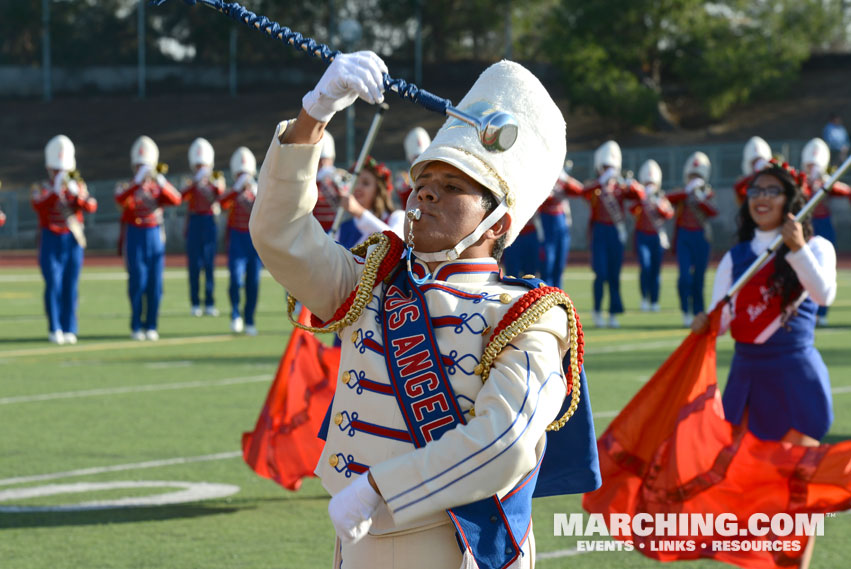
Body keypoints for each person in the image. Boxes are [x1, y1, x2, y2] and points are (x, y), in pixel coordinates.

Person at [249, 51, 599, 569]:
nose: (427, 195)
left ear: (497, 223)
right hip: (359, 545)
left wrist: (377, 491)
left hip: (461, 550)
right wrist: (315, 112)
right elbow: (279, 234)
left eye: (453, 187)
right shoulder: (371, 280)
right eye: (423, 184)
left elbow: (505, 443)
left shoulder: (531, 315)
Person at [691, 161, 837, 568]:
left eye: (772, 190)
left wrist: (797, 249)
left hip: (797, 381)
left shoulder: (816, 246)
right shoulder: (735, 258)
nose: (762, 198)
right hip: (747, 382)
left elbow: (824, 295)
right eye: (756, 191)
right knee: (750, 490)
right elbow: (721, 321)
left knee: (794, 491)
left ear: (791, 199)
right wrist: (706, 322)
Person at [31, 135, 97, 345]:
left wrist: (77, 194)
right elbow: (39, 206)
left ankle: (70, 327)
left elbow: (90, 207)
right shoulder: (41, 187)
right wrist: (55, 190)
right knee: (53, 283)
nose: (60, 173)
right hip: (50, 237)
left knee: (71, 284)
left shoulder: (77, 186)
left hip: (72, 238)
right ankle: (54, 327)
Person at [115, 135, 182, 341]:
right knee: (137, 281)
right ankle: (136, 324)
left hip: (154, 235)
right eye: (139, 166)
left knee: (155, 283)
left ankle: (151, 324)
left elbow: (176, 199)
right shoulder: (126, 186)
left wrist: (160, 182)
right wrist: (136, 183)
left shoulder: (157, 186)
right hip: (135, 234)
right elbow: (120, 200)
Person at [581, 140, 645, 328]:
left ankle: (613, 313)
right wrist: (601, 180)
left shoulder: (620, 188)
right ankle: (597, 310)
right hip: (600, 232)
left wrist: (630, 183)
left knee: (614, 275)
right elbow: (583, 192)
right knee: (600, 273)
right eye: (606, 167)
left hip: (616, 233)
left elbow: (640, 197)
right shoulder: (595, 187)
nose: (609, 170)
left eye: (611, 167)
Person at [800, 137, 851, 326]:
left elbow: (847, 192)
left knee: (826, 266)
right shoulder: (801, 181)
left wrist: (827, 183)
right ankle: (806, 309)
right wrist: (809, 183)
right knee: (804, 265)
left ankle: (822, 313)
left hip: (824, 224)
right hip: (807, 225)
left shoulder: (826, 181)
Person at [667, 151, 717, 327]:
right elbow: (668, 199)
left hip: (701, 237)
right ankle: (685, 310)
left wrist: (700, 197)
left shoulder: (707, 193)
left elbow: (713, 212)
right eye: (692, 175)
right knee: (684, 277)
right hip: (684, 236)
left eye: (698, 176)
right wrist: (688, 191)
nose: (694, 179)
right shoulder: (682, 193)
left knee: (699, 278)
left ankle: (698, 312)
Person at [221, 147, 262, 336]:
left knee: (253, 281)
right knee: (235, 280)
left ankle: (250, 319)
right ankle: (235, 314)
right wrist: (236, 188)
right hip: (237, 239)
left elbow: (268, 208)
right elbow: (220, 203)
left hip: (254, 241)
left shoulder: (258, 190)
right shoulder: (233, 192)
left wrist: (256, 190)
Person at [181, 137, 224, 317]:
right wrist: (195, 182)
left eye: (203, 165)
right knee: (194, 265)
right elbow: (181, 197)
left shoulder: (216, 178)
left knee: (209, 264)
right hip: (194, 222)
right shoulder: (189, 181)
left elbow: (222, 196)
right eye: (198, 165)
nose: (200, 168)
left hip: (209, 222)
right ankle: (195, 302)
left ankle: (209, 301)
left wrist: (212, 183)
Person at [630, 159, 673, 312]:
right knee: (645, 267)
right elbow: (632, 210)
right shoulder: (641, 199)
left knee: (655, 270)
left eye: (652, 183)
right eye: (647, 183)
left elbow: (669, 214)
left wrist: (657, 203)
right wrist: (643, 199)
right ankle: (644, 298)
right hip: (642, 236)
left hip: (657, 237)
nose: (650, 186)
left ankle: (655, 300)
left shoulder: (661, 198)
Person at [335, 155, 404, 249]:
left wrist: (359, 212)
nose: (358, 188)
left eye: (365, 183)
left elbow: (397, 244)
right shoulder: (343, 228)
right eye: (355, 183)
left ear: (378, 190)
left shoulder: (397, 217)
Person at [536, 164, 583, 288]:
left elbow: (580, 190)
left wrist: (565, 178)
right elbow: (545, 199)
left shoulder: (562, 181)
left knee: (560, 266)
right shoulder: (541, 180)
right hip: (546, 226)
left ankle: (558, 297)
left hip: (561, 224)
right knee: (547, 265)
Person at [315, 131, 346, 232]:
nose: (323, 164)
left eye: (326, 160)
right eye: (319, 160)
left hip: (334, 229)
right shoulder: (309, 182)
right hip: (314, 230)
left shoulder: (338, 178)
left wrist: (338, 183)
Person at [733, 136, 772, 205]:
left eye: (760, 160)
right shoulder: (746, 183)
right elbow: (739, 192)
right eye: (754, 162)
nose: (758, 164)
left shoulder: (774, 179)